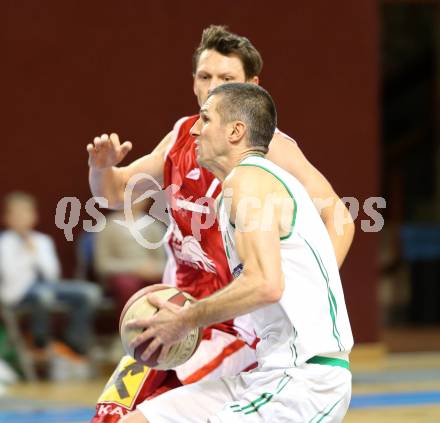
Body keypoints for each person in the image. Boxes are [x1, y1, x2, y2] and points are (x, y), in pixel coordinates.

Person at [88, 26, 355, 421]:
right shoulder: (184, 135)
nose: (211, 87)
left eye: (226, 79)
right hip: (176, 308)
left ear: (251, 88)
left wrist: (310, 291)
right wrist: (101, 168)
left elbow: (339, 215)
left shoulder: (269, 154)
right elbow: (113, 193)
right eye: (204, 76)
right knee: (111, 416)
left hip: (238, 323)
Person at [0, 192, 101, 358]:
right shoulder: (4, 244)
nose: (21, 218)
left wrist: (35, 253)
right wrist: (27, 256)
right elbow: (11, 276)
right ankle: (40, 342)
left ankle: (74, 342)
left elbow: (53, 274)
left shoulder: (43, 241)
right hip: (18, 291)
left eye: (25, 213)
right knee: (44, 295)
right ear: (7, 218)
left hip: (48, 286)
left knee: (90, 293)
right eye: (16, 214)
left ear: (33, 216)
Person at [94, 199, 167, 315]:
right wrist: (136, 269)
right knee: (127, 285)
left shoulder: (155, 227)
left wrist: (154, 270)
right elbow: (103, 264)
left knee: (166, 285)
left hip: (151, 273)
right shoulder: (107, 227)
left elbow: (164, 262)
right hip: (123, 276)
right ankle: (129, 328)